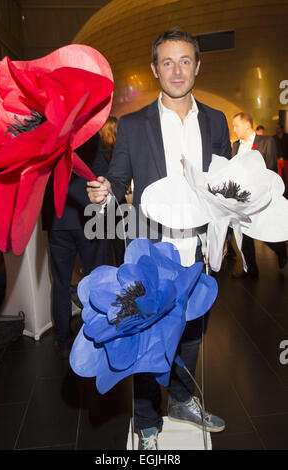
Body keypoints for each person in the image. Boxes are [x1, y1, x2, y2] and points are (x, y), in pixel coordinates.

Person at [87, 27, 230, 449]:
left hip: (199, 246)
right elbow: (116, 181)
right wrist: (105, 193)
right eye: (167, 62)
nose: (177, 70)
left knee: (192, 330)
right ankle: (147, 416)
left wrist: (225, 231)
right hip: (152, 247)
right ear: (155, 69)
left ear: (198, 66)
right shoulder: (133, 125)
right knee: (148, 335)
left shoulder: (216, 121)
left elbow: (221, 184)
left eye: (185, 60)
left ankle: (183, 401)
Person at [42, 133, 108, 358]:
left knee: (60, 282)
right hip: (88, 215)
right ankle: (96, 337)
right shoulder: (89, 131)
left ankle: (63, 341)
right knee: (95, 280)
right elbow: (101, 172)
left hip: (57, 217)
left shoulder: (46, 134)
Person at [231, 113, 287, 279]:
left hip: (260, 194)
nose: (234, 129)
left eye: (236, 125)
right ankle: (251, 269)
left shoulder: (266, 142)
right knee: (245, 232)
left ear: (247, 125)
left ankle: (280, 249)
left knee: (261, 228)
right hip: (241, 197)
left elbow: (270, 167)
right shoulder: (235, 145)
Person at [99, 116, 126, 267]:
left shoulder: (97, 154)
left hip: (101, 204)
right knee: (120, 246)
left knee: (105, 249)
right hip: (117, 202)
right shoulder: (120, 153)